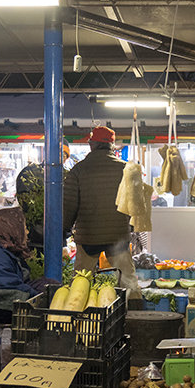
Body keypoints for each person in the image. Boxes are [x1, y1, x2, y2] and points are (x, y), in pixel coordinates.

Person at [62, 126, 141, 302]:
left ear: (92, 145)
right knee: (127, 279)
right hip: (117, 235)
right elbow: (136, 205)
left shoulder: (78, 170)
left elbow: (68, 204)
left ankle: (78, 315)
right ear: (112, 145)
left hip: (88, 236)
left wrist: (64, 228)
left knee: (82, 280)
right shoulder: (126, 169)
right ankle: (136, 314)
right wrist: (129, 226)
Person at [16, 143, 70, 254]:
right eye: (60, 153)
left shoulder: (67, 176)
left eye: (64, 155)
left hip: (38, 237)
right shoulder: (30, 173)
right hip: (37, 238)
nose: (61, 157)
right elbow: (26, 203)